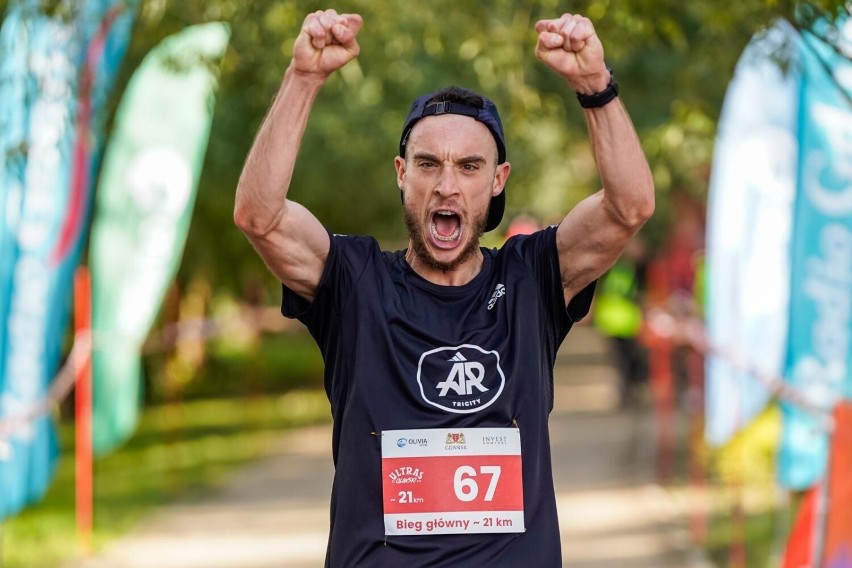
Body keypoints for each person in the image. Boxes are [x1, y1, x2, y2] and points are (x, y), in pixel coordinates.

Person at [234, 8, 654, 568]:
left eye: (470, 166)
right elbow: (259, 216)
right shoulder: (356, 282)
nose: (447, 185)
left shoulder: (531, 279)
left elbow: (629, 207)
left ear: (498, 180)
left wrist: (595, 87)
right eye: (428, 164)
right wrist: (303, 78)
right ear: (401, 174)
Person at [592, 235, 649, 407]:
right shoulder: (628, 269)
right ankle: (628, 391)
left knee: (625, 360)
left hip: (616, 321)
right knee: (625, 360)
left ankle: (628, 390)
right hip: (622, 322)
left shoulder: (617, 267)